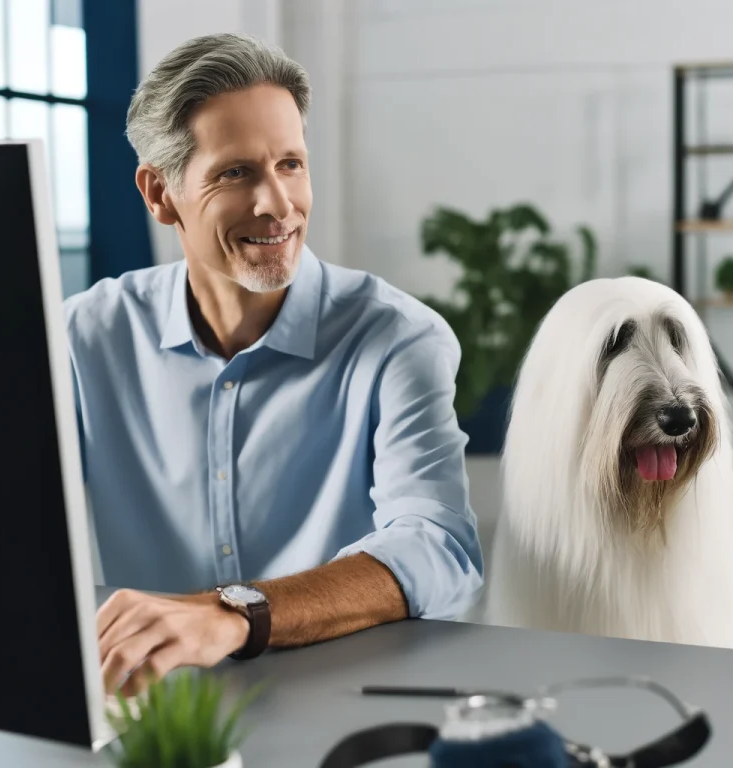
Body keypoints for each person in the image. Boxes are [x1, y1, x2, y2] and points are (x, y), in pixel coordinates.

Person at [65, 32, 483, 696]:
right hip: (160, 720)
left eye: (291, 164)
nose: (279, 204)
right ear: (159, 194)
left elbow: (439, 548)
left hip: (351, 705)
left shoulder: (398, 338)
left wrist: (232, 614)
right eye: (237, 173)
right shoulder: (85, 337)